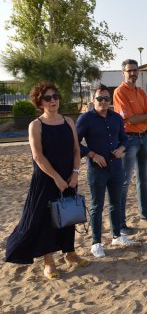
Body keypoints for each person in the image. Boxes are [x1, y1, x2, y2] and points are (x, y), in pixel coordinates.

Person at [5, 82, 89, 279]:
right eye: (48, 98)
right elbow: (38, 157)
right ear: (40, 102)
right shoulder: (36, 125)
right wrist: (57, 178)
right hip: (46, 179)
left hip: (69, 177)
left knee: (68, 214)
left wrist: (75, 173)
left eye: (56, 96)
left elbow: (77, 150)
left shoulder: (68, 121)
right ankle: (49, 261)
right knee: (45, 220)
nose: (53, 100)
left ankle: (70, 253)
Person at [76, 84, 139, 258]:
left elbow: (125, 139)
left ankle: (117, 235)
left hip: (116, 167)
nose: (103, 102)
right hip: (97, 170)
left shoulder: (116, 118)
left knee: (116, 203)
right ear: (93, 100)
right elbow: (74, 142)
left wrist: (121, 149)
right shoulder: (85, 119)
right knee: (97, 206)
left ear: (110, 100)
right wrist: (92, 154)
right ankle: (96, 242)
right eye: (99, 99)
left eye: (106, 99)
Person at [113, 59, 147, 235]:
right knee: (124, 182)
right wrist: (145, 116)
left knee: (143, 179)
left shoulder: (141, 91)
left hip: (144, 138)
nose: (133, 73)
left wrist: (142, 116)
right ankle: (120, 222)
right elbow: (129, 119)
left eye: (135, 70)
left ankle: (145, 212)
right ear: (123, 73)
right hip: (128, 140)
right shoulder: (119, 92)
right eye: (129, 71)